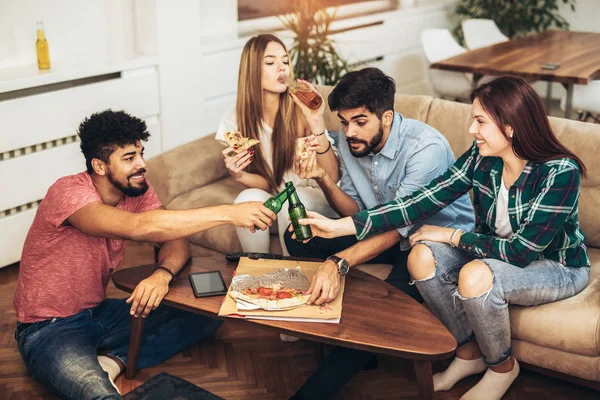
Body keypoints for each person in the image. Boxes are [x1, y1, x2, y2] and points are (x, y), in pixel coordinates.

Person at [294, 76, 591, 400]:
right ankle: (468, 353)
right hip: (493, 253)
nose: (472, 131)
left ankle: (502, 367)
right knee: (420, 256)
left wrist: (453, 235)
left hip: (556, 266)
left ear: (510, 126)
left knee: (475, 274)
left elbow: (521, 252)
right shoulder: (482, 160)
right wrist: (342, 227)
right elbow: (418, 202)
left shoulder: (560, 171)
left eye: (480, 122)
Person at [13, 110, 277, 400]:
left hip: (101, 313)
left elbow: (176, 239)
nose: (142, 164)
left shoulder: (136, 188)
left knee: (209, 315)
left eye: (140, 153)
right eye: (129, 158)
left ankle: (113, 361)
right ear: (99, 166)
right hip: (50, 328)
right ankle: (101, 368)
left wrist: (162, 275)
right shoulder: (69, 193)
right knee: (101, 397)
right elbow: (140, 228)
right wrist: (229, 213)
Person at [286, 67, 475, 400]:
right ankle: (332, 324)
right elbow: (356, 214)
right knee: (297, 235)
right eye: (344, 123)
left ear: (386, 116)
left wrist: (338, 261)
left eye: (360, 122)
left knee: (378, 315)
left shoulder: (424, 149)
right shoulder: (351, 140)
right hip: (385, 233)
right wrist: (322, 178)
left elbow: (397, 225)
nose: (349, 132)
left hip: (433, 245)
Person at [216, 33, 339, 256]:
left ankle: (290, 277)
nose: (282, 69)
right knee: (246, 200)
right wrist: (239, 175)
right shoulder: (236, 119)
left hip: (318, 197)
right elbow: (268, 183)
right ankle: (255, 272)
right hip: (280, 196)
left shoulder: (301, 108)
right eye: (271, 63)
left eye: (285, 61)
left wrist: (315, 122)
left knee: (292, 200)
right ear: (252, 70)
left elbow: (333, 176)